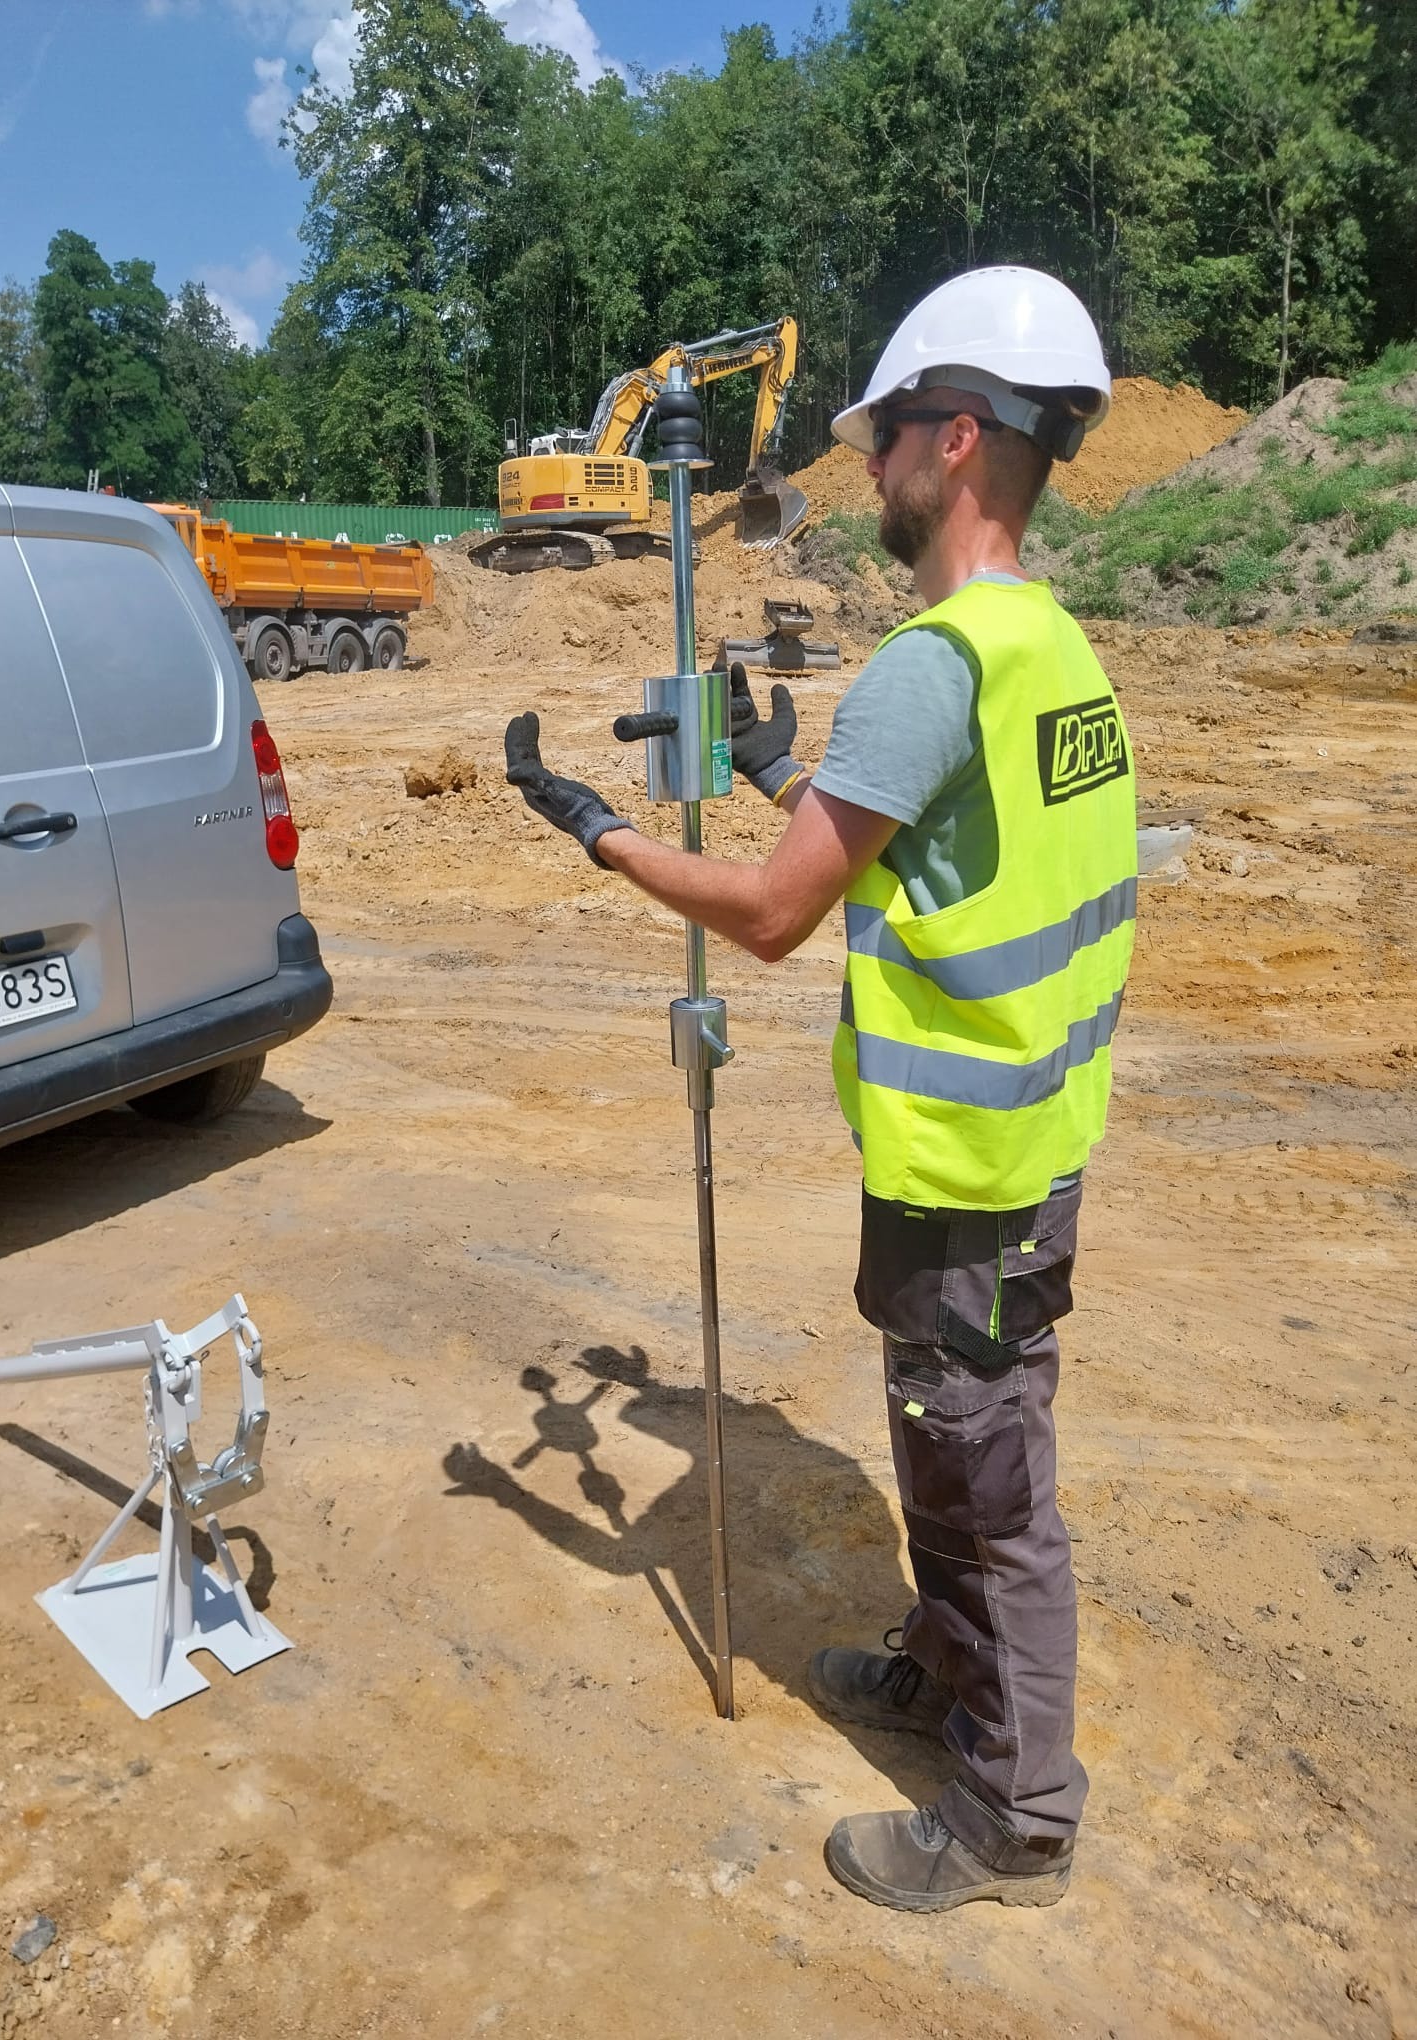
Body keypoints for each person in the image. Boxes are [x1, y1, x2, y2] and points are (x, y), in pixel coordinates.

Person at [502, 266, 1137, 1914]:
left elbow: (779, 912)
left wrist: (600, 832)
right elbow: (939, 864)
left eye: (886, 443)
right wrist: (795, 774)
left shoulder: (937, 659)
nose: (865, 470)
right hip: (1023, 1143)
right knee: (947, 1446)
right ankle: (942, 1670)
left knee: (990, 1488)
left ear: (959, 434)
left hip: (965, 1165)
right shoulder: (1048, 647)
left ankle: (1015, 1816)